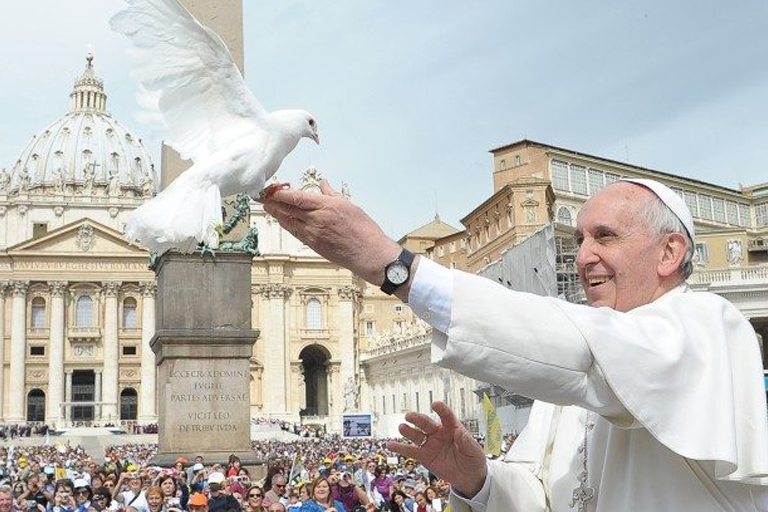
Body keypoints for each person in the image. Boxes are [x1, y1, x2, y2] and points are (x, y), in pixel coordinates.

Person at [262, 178, 768, 511]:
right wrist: (480, 480)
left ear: (669, 252)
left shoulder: (709, 326)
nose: (584, 255)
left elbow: (587, 350)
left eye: (605, 237)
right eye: (580, 240)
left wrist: (396, 269)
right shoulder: (573, 375)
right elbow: (540, 497)